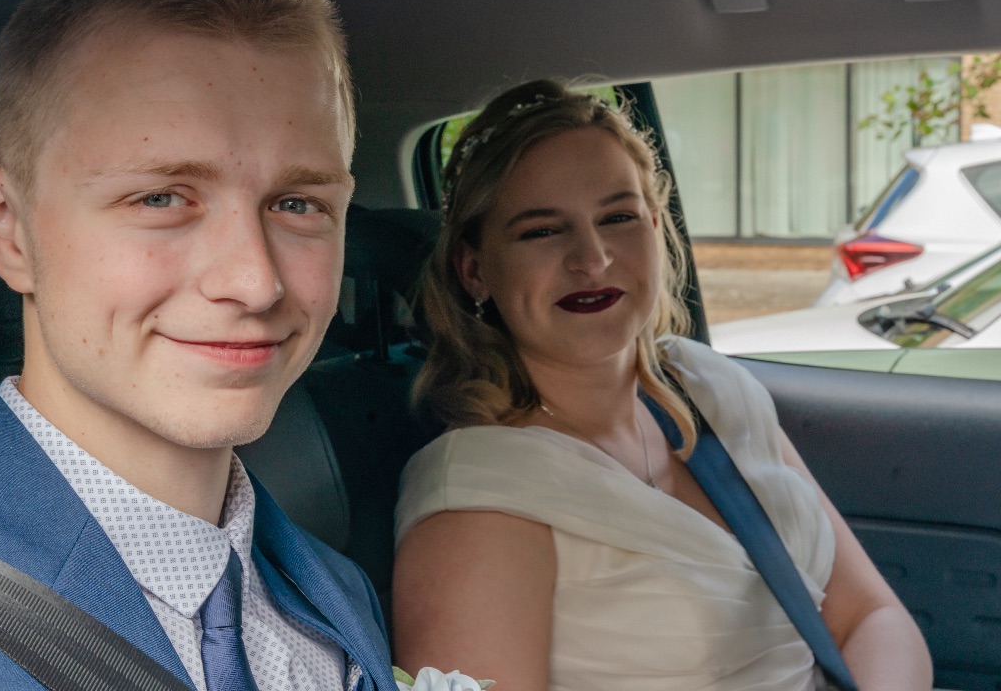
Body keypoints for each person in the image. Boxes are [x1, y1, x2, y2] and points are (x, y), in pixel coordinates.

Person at [0, 0, 396, 690]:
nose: (256, 282)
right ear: (6, 227)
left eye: (298, 204)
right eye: (161, 198)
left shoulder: (337, 595)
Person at [391, 79, 932, 691]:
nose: (593, 258)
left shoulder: (707, 386)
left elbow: (870, 615)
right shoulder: (477, 502)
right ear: (474, 269)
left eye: (617, 218)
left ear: (654, 225)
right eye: (542, 230)